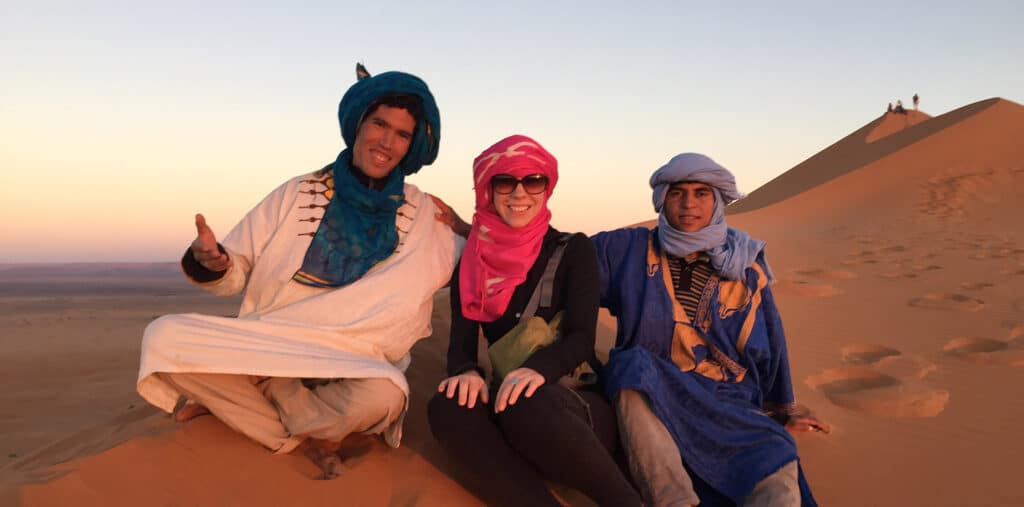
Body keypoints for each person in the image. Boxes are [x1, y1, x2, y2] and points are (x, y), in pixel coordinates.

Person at [136, 65, 463, 478]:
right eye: (379, 124)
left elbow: (481, 259)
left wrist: (470, 229)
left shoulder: (425, 213)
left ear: (412, 146)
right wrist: (213, 261)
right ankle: (300, 430)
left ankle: (252, 408)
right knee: (162, 338)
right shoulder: (298, 192)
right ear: (359, 125)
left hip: (356, 357)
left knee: (385, 397)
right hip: (273, 343)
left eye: (402, 134)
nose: (387, 141)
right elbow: (236, 268)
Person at [591, 153, 829, 506]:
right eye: (677, 192)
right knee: (630, 366)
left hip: (727, 398)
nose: (689, 204)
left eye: (701, 193)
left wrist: (782, 407)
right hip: (655, 388)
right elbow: (565, 266)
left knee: (776, 459)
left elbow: (771, 341)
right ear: (663, 199)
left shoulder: (746, 267)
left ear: (717, 200)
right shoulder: (626, 250)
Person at [427, 135, 641, 507]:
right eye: (505, 181)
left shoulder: (573, 249)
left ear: (547, 187)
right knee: (446, 406)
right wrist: (465, 371)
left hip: (572, 409)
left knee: (526, 403)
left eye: (533, 181)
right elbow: (461, 343)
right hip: (512, 408)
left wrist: (538, 370)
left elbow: (580, 338)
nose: (519, 193)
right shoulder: (474, 260)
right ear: (487, 189)